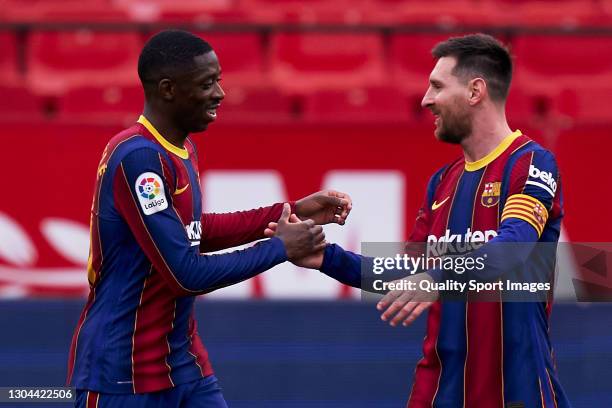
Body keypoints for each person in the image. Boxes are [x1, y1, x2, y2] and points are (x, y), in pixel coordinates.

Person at [268, 33, 571, 407]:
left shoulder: (531, 164)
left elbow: (511, 252)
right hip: (439, 390)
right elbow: (409, 273)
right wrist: (325, 258)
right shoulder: (441, 183)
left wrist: (436, 278)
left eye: (437, 86)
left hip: (518, 390)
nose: (426, 99)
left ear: (475, 91)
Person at [67, 29, 352, 408]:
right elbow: (186, 273)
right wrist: (280, 248)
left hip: (184, 365)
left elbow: (194, 232)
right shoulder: (138, 159)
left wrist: (292, 210)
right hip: (122, 374)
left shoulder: (181, 148)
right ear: (168, 89)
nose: (220, 94)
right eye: (207, 83)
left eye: (218, 80)